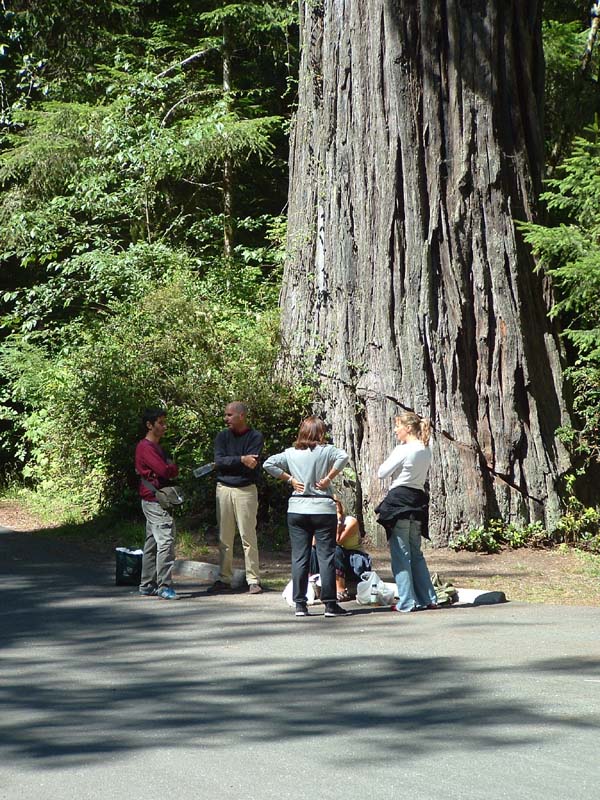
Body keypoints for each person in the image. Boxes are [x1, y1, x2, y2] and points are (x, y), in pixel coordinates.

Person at [263, 416, 352, 618]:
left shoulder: (290, 453)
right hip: (322, 508)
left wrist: (290, 479)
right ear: (320, 433)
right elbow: (344, 456)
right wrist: (329, 477)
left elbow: (268, 464)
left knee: (299, 557)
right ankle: (330, 604)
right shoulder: (327, 450)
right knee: (326, 555)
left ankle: (300, 604)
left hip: (297, 509)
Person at [376, 412, 438, 613]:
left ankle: (406, 601)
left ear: (408, 428)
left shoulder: (404, 449)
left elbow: (382, 472)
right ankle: (428, 597)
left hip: (400, 500)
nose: (396, 430)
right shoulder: (426, 449)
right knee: (415, 552)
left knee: (401, 554)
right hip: (417, 500)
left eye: (398, 427)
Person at [210, 402, 264, 594]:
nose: (226, 419)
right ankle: (224, 579)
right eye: (225, 415)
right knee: (224, 537)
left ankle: (253, 580)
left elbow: (253, 463)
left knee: (248, 537)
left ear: (241, 416)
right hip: (223, 489)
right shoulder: (222, 436)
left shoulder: (255, 436)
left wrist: (230, 461)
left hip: (246, 490)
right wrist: (241, 459)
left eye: (229, 415)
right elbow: (219, 461)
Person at [135, 407, 179, 600]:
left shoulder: (156, 447)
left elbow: (167, 469)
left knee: (152, 542)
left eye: (164, 422)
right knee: (166, 541)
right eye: (160, 423)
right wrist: (171, 468)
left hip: (152, 499)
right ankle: (164, 585)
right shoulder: (146, 447)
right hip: (154, 501)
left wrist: (170, 468)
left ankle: (147, 584)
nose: (164, 427)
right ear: (149, 425)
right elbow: (164, 470)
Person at [309, 498, 372, 600]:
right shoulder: (322, 523)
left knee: (335, 549)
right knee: (313, 551)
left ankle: (340, 590)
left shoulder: (351, 522)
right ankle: (313, 584)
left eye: (337, 511)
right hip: (334, 558)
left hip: (354, 561)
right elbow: (313, 544)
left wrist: (337, 525)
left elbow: (337, 541)